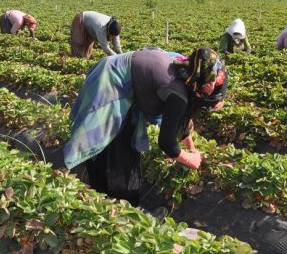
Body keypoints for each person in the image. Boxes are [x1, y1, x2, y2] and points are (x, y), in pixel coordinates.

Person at [63, 47, 228, 206]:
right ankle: (114, 200)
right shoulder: (178, 94)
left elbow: (179, 124)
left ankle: (107, 195)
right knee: (110, 144)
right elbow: (167, 143)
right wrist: (189, 159)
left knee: (121, 145)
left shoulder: (188, 71)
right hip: (111, 82)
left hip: (118, 73)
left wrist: (192, 149)